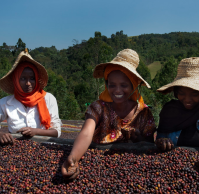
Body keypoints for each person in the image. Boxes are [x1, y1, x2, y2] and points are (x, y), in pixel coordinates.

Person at [61, 49, 156, 180]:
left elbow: (150, 146)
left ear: (133, 85)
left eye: (124, 85)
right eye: (112, 85)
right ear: (106, 85)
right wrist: (73, 158)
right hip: (96, 170)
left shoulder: (143, 113)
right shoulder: (98, 108)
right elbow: (86, 133)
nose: (117, 90)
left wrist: (138, 139)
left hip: (132, 174)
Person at [0, 49, 61, 144]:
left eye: (32, 78)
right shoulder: (6, 103)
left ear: (36, 79)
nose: (28, 83)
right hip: (15, 147)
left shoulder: (48, 98)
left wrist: (35, 131)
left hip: (44, 147)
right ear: (16, 80)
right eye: (23, 79)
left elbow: (56, 132)